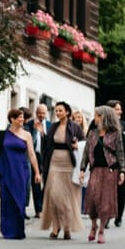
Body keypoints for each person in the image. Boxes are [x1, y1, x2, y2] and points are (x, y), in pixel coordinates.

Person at [0, 108, 41, 240]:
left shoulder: (27, 135)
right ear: (12, 119)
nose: (22, 120)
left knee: (19, 199)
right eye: (19, 117)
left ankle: (18, 229)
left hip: (20, 170)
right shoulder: (1, 135)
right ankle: (7, 229)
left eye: (23, 117)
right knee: (7, 200)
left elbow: (31, 154)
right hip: (5, 170)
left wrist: (37, 172)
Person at [79, 105, 125, 244]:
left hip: (110, 170)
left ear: (103, 117)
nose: (94, 118)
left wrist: (122, 171)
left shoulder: (115, 133)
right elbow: (86, 153)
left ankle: (101, 230)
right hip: (95, 170)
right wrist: (82, 169)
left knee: (105, 201)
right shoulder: (92, 133)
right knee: (92, 198)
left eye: (96, 115)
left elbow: (120, 153)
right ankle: (93, 225)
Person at [39, 101, 84, 240]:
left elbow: (84, 143)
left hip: (69, 164)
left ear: (67, 112)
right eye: (56, 111)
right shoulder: (53, 126)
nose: (58, 113)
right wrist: (42, 134)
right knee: (54, 195)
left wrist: (78, 145)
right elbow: (47, 145)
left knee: (68, 197)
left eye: (60, 110)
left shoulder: (75, 127)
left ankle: (67, 228)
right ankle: (55, 226)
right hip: (54, 163)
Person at [106, 99, 125, 227]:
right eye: (117, 109)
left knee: (121, 191)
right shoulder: (103, 125)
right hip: (107, 164)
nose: (120, 111)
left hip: (122, 164)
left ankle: (119, 216)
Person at [29, 104, 50, 217]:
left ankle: (42, 202)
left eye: (43, 113)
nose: (41, 115)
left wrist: (43, 132)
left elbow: (51, 141)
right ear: (36, 113)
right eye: (39, 113)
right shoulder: (30, 124)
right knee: (36, 183)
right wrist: (34, 130)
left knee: (48, 183)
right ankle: (38, 209)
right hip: (35, 156)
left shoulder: (50, 125)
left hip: (47, 156)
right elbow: (29, 140)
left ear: (46, 114)